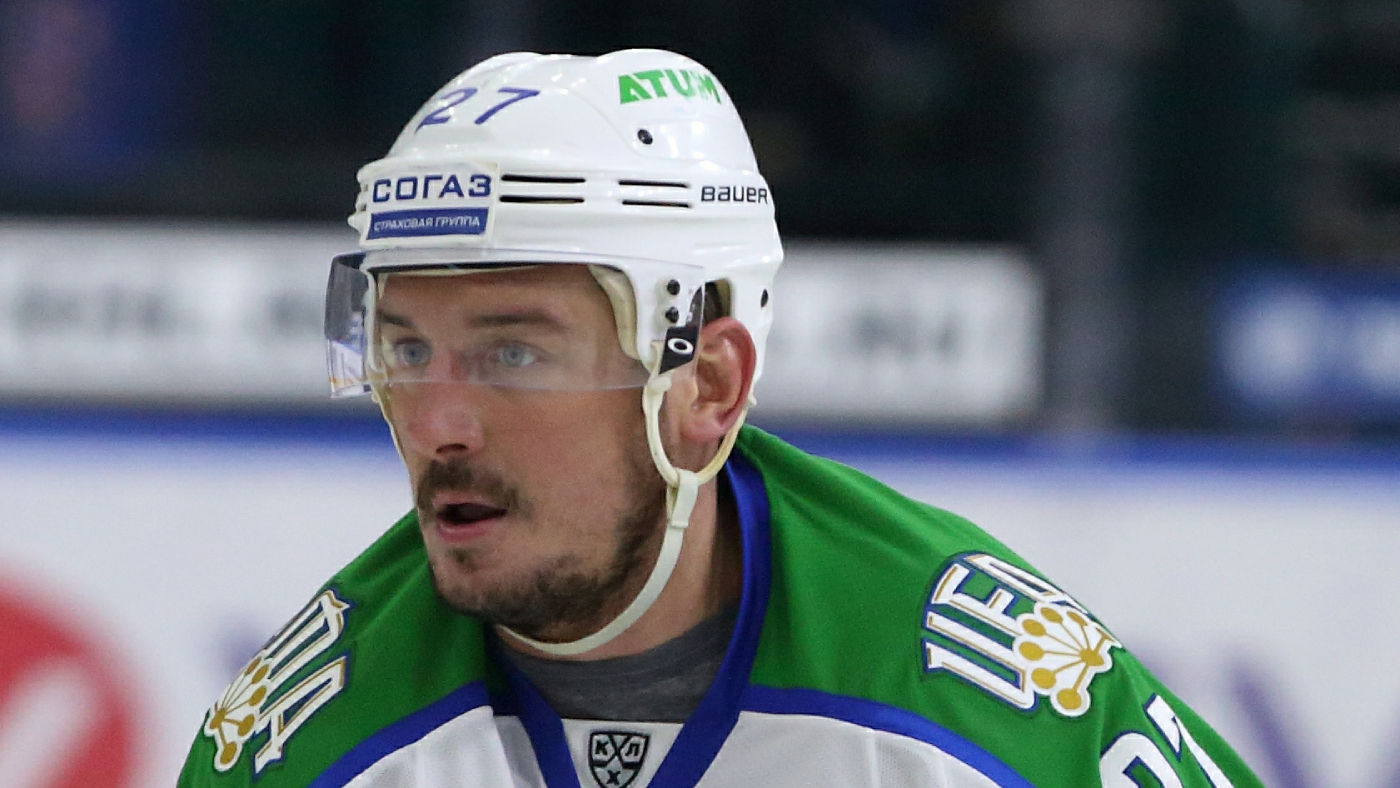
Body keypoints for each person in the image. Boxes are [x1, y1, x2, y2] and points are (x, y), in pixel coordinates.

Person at [178, 49, 1263, 788]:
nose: (438, 424)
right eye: (408, 350)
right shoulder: (301, 744)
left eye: (514, 352)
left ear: (706, 387)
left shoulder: (984, 712)